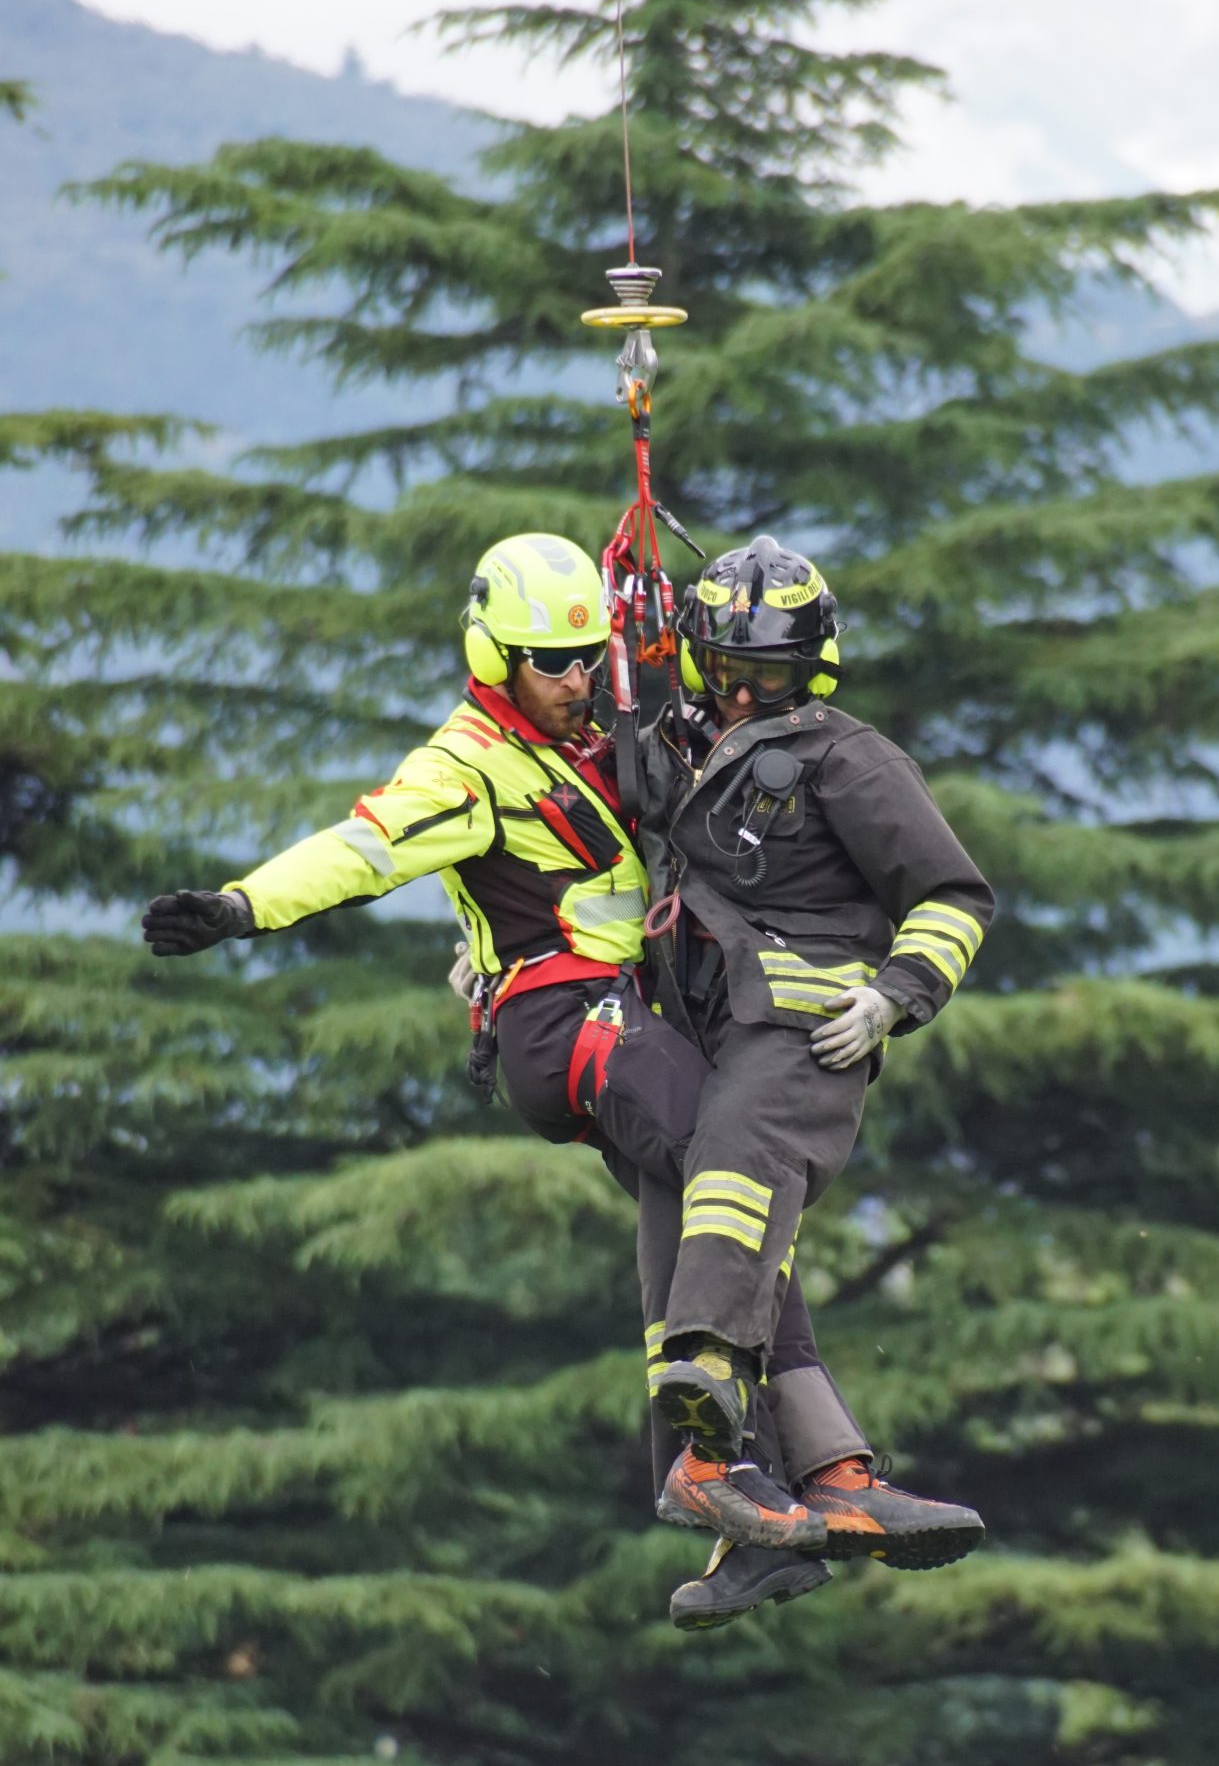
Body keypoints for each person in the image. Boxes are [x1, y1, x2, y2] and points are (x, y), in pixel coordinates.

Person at [139, 530, 974, 1629]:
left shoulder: (593, 735)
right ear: (496, 659)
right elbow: (368, 845)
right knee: (741, 1168)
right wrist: (246, 906)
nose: (579, 679)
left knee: (710, 1218)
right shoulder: (468, 762)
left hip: (615, 1011)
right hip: (569, 1025)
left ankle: (791, 1502)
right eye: (551, 660)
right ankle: (740, 1467)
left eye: (589, 656)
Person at [637, 535, 995, 1566]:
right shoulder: (681, 748)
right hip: (707, 1024)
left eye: (771, 676)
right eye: (730, 671)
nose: (747, 693)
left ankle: (704, 1364)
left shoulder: (850, 756)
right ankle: (795, 1504)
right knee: (702, 1200)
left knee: (739, 1162)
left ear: (814, 668)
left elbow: (954, 893)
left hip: (807, 1029)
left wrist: (897, 995)